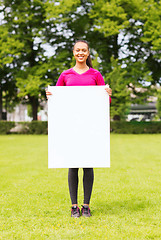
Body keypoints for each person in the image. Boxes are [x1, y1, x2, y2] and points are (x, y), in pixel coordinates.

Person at [46, 40, 112, 218]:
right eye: (78, 50)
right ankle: (74, 206)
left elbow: (104, 103)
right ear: (73, 53)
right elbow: (57, 101)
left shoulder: (96, 74)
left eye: (84, 50)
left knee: (88, 165)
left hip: (90, 127)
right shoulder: (65, 75)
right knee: (73, 165)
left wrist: (107, 95)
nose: (81, 53)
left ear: (88, 53)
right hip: (71, 127)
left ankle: (86, 206)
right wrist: (51, 95)